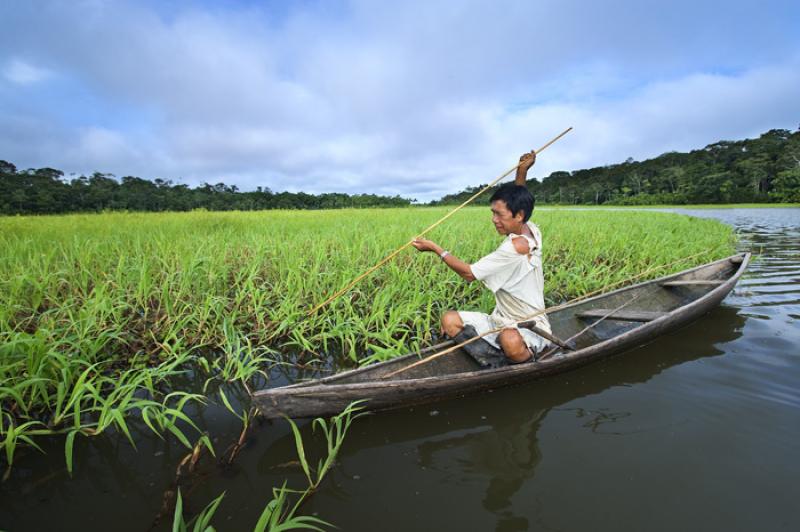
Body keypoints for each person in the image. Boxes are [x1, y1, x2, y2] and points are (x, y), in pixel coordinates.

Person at [411, 151, 551, 367]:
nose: (494, 220)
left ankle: (525, 360)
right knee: (450, 320)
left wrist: (435, 249)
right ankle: (495, 361)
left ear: (519, 215)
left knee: (509, 340)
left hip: (531, 326)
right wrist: (521, 171)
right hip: (500, 318)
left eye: (499, 215)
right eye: (493, 213)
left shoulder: (514, 248)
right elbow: (519, 196)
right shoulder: (529, 229)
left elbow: (469, 274)